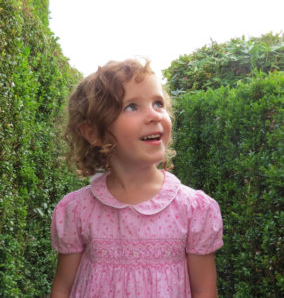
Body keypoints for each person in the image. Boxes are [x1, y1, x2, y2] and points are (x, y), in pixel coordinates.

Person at [50, 58, 223, 298]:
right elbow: (62, 288)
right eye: (132, 106)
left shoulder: (194, 209)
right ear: (93, 132)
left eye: (158, 103)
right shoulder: (77, 210)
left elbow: (204, 291)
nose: (154, 115)